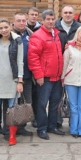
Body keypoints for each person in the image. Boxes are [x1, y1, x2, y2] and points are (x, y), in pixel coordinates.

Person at [0, 18, 24, 146]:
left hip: (11, 80)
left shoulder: (18, 41)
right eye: (1, 28)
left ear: (10, 27)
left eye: (6, 27)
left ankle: (12, 136)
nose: (3, 30)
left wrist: (20, 81)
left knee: (12, 111)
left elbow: (20, 62)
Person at [28, 9, 64, 140]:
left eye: (52, 19)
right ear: (42, 21)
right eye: (48, 19)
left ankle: (52, 126)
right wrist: (38, 75)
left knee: (55, 104)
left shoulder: (56, 34)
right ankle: (42, 128)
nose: (50, 21)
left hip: (57, 77)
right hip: (45, 78)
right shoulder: (38, 36)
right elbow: (33, 58)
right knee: (42, 104)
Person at [12, 12, 34, 136]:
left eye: (23, 20)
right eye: (19, 20)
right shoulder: (9, 35)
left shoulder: (30, 34)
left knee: (26, 102)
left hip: (28, 74)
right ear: (13, 21)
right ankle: (10, 127)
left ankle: (22, 127)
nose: (21, 23)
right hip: (13, 76)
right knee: (13, 103)